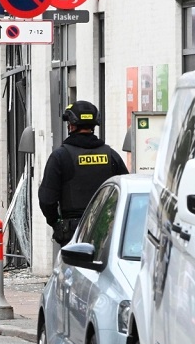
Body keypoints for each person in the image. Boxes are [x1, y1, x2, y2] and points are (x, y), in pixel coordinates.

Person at [38, 100, 128, 246]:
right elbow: (125, 190)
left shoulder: (60, 157)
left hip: (74, 232)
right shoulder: (111, 155)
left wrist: (56, 223)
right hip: (106, 230)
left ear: (71, 125)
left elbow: (47, 200)